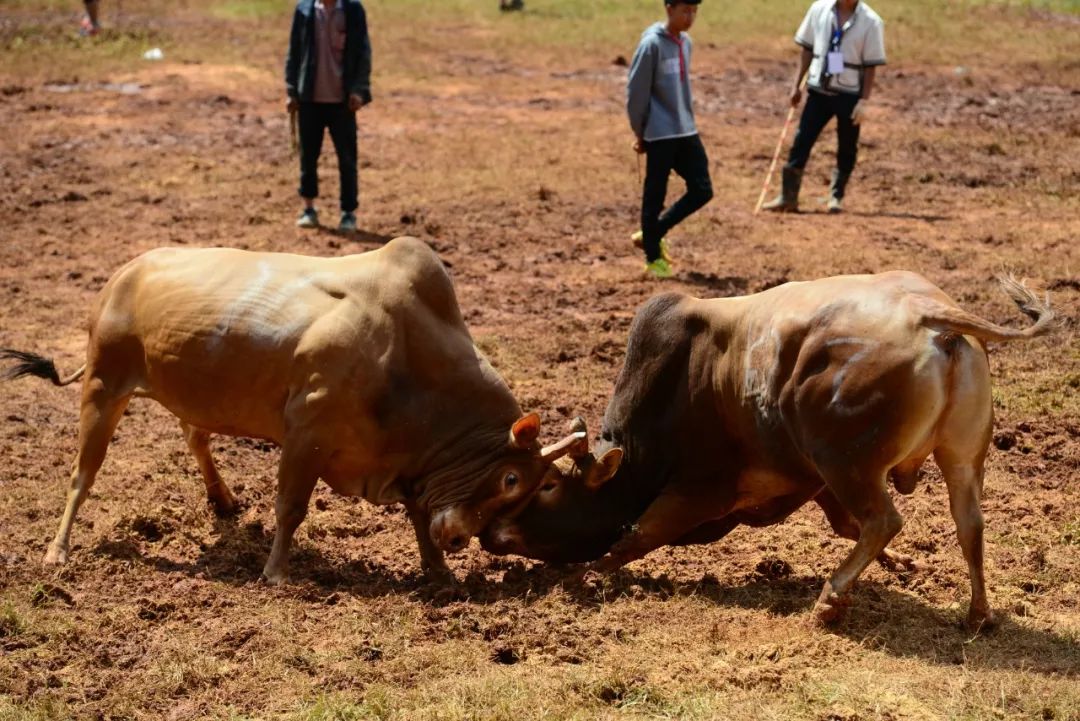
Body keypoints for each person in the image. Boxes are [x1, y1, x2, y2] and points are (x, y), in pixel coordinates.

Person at [763, 0, 885, 214]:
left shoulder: (871, 22)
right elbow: (807, 49)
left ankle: (836, 197)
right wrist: (796, 85)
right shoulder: (819, 9)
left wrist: (864, 101)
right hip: (818, 90)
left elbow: (870, 67)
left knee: (847, 145)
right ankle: (788, 196)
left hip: (849, 93)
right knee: (801, 141)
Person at [627, 0, 713, 280]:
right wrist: (640, 132)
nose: (690, 17)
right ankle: (653, 259)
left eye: (694, 11)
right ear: (669, 8)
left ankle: (654, 232)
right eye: (685, 10)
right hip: (659, 133)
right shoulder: (651, 45)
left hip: (686, 129)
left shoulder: (685, 43)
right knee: (655, 194)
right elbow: (636, 94)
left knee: (702, 189)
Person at [285, 0, 372, 231]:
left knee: (347, 159)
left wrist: (359, 90)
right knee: (308, 157)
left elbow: (363, 51)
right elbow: (294, 52)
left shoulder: (353, 10)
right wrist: (292, 90)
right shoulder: (304, 10)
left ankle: (348, 213)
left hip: (342, 103)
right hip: (309, 100)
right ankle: (308, 208)